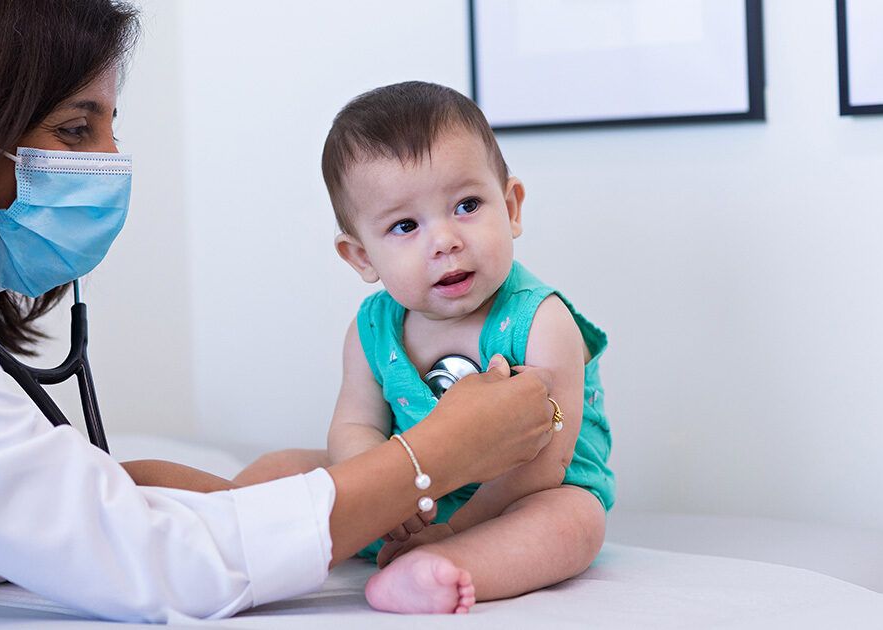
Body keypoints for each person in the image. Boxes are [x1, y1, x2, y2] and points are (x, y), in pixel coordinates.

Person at [0, 3, 559, 627]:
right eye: (77, 128)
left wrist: (146, 492)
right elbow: (146, 565)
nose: (108, 160)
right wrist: (431, 459)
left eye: (109, 125)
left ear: (511, 205)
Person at [245, 81, 615, 614]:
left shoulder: (541, 321)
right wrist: (378, 499)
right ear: (360, 256)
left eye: (467, 205)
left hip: (518, 495)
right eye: (404, 225)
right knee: (282, 466)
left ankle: (449, 567)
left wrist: (453, 529)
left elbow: (544, 464)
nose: (443, 240)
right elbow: (357, 427)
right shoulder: (372, 330)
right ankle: (217, 523)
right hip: (408, 492)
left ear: (510, 207)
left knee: (576, 521)